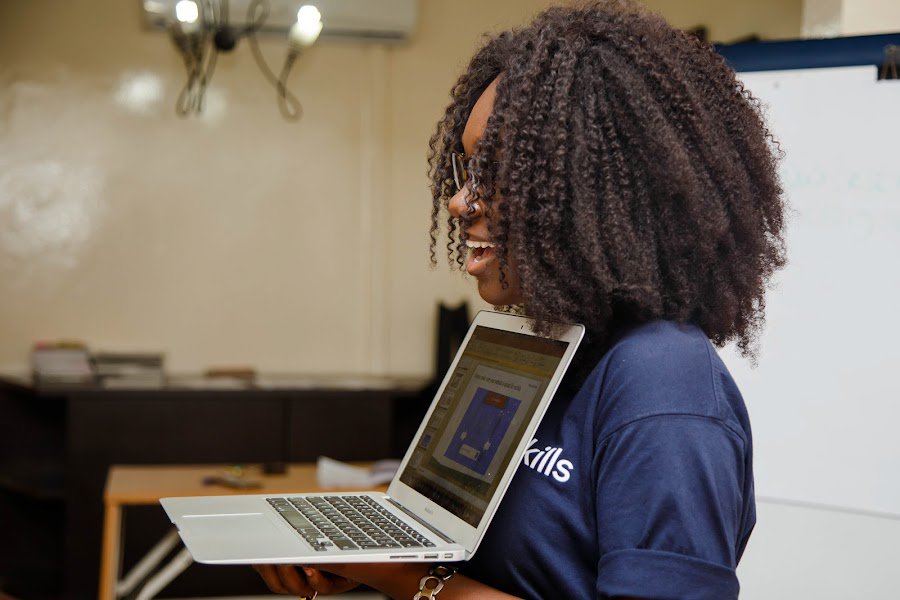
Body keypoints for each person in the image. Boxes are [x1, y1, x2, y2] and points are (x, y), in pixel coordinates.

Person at [254, 1, 786, 598]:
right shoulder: (541, 342)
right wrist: (363, 548)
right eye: (466, 167)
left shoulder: (664, 388)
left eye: (499, 169)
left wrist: (414, 582)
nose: (460, 201)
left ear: (591, 190)